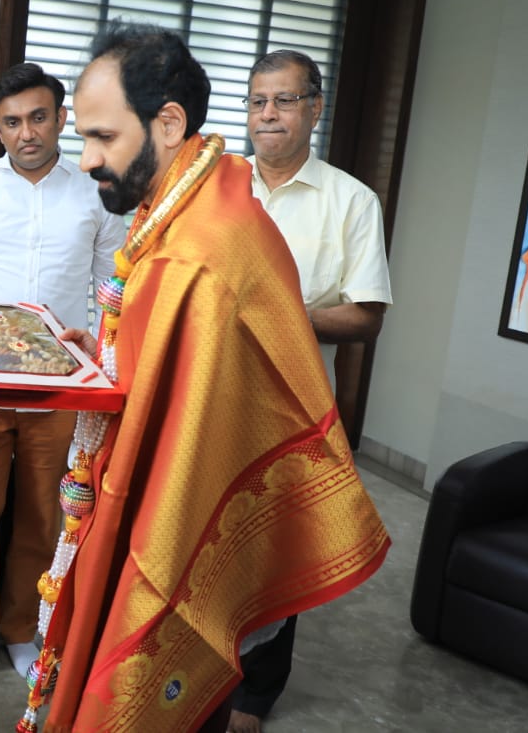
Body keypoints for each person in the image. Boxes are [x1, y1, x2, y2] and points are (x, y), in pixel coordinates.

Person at [13, 23, 390, 733]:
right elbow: (158, 359)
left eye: (102, 137)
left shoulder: (199, 248)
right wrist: (97, 355)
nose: (87, 158)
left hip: (181, 516)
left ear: (168, 122)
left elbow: (187, 408)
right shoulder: (191, 202)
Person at [0, 63, 126, 688]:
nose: (26, 132)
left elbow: (109, 289)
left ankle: (21, 633)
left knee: (47, 518)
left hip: (62, 383)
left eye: (38, 117)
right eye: (11, 122)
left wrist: (104, 375)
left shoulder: (96, 191)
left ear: (62, 117)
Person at [230, 49, 394, 733]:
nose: (269, 114)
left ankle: (254, 695)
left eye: (285, 100)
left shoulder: (351, 200)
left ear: (315, 108)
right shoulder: (218, 185)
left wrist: (274, 309)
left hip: (289, 402)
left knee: (273, 543)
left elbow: (365, 313)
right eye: (259, 101)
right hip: (203, 393)